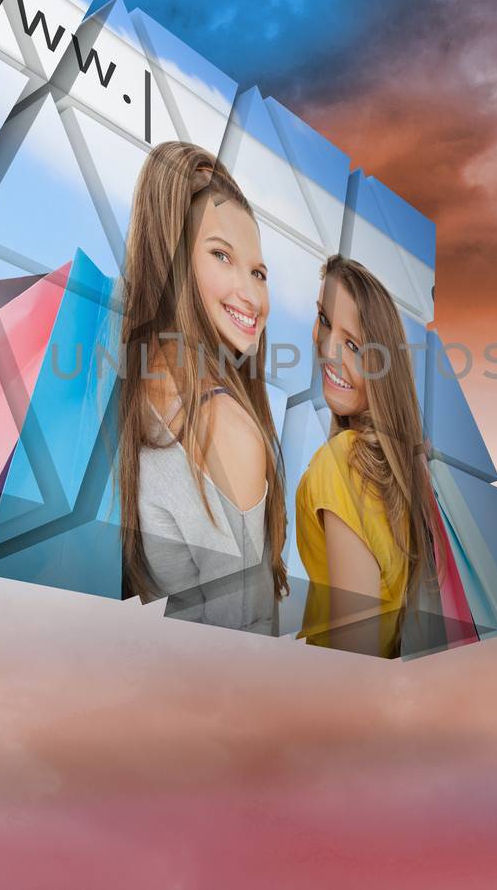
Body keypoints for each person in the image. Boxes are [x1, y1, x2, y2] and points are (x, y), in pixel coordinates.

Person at [113, 140, 288, 633]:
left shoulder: (131, 389)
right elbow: (243, 651)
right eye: (221, 256)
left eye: (259, 272)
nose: (251, 294)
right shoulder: (225, 429)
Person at [295, 255, 451, 658]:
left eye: (354, 345)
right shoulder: (394, 474)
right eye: (325, 321)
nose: (329, 350)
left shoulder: (343, 462)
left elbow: (354, 653)